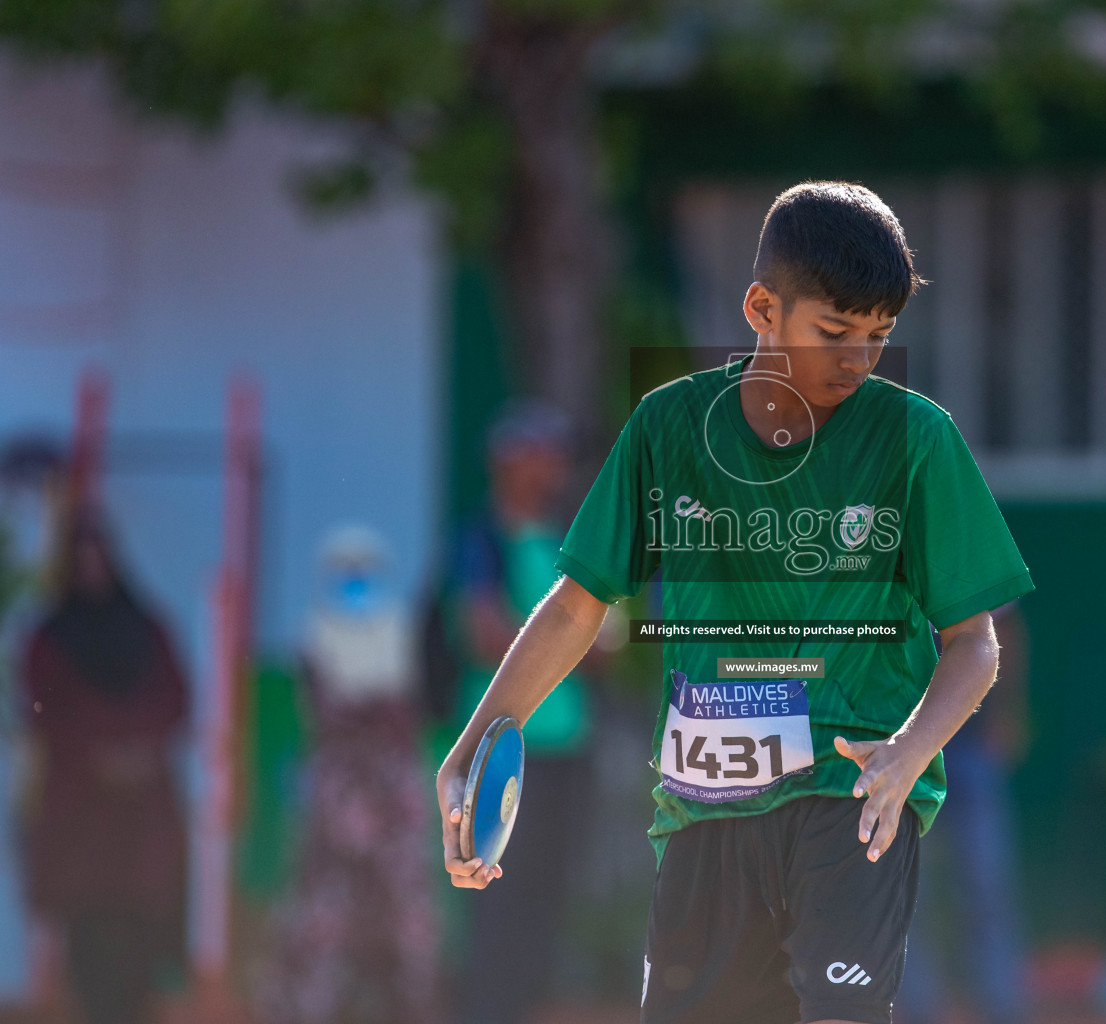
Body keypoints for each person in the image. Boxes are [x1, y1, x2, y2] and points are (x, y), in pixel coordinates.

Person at [435, 181, 1035, 1024]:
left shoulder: (916, 439)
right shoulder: (667, 430)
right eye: (834, 332)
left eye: (878, 335)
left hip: (849, 797)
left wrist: (906, 754)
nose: (858, 359)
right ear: (762, 307)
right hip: (704, 811)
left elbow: (976, 642)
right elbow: (576, 607)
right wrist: (475, 742)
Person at [253, 525, 442, 1024]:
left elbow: (403, 714)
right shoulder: (314, 633)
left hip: (392, 794)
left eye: (364, 569)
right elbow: (323, 714)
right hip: (337, 798)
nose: (356, 580)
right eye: (345, 570)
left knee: (405, 918)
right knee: (324, 919)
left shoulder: (400, 631)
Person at [449, 402, 600, 1024]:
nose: (556, 467)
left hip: (568, 749)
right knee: (495, 895)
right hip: (501, 748)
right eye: (543, 453)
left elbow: (607, 648)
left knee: (546, 895)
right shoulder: (479, 539)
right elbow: (482, 634)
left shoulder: (567, 538)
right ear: (508, 461)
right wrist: (561, 641)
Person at [21, 510, 188, 1024]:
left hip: (140, 817)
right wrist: (101, 755)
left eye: (99, 557)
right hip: (82, 819)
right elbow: (43, 710)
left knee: (141, 937)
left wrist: (137, 749)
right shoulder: (50, 637)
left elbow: (176, 698)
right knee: (91, 941)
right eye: (82, 559)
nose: (91, 569)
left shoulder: (147, 628)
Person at [898, 602, 1031, 1024]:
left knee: (986, 883)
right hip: (897, 749)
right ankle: (909, 1009)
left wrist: (1010, 710)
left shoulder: (959, 544)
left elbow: (1005, 627)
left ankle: (1002, 1007)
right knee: (904, 888)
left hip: (969, 745)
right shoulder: (873, 552)